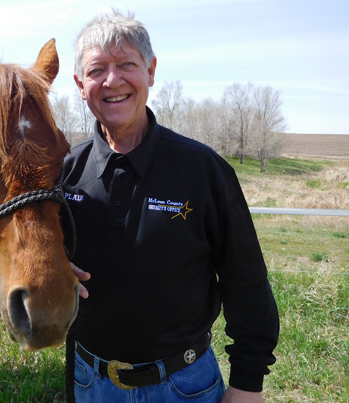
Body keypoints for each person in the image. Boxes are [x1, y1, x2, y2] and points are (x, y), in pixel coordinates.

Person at [63, 10, 279, 403]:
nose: (112, 81)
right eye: (97, 70)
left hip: (184, 385)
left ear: (151, 70)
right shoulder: (64, 173)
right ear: (81, 84)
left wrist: (248, 382)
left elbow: (245, 279)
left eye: (127, 64)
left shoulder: (202, 169)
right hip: (89, 382)